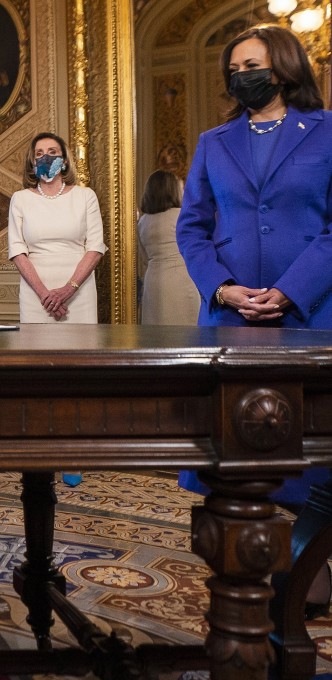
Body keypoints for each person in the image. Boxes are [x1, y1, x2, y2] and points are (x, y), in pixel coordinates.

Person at [175, 23, 332, 612]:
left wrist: (292, 290)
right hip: (232, 321)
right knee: (236, 459)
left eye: (253, 65)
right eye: (234, 69)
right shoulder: (215, 141)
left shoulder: (327, 131)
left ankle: (302, 570)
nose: (243, 76)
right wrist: (222, 287)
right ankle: (249, 584)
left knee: (309, 455)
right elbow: (192, 227)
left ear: (285, 66)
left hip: (310, 317)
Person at [8, 132, 107, 324]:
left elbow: (95, 249)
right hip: (36, 295)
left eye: (52, 152)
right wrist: (45, 295)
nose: (46, 157)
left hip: (79, 292)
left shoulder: (86, 196)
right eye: (39, 153)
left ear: (64, 161)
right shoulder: (20, 199)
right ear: (33, 162)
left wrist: (68, 290)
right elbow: (17, 251)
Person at [137, 170, 198, 325]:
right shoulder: (182, 216)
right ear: (173, 191)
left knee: (157, 335)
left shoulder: (143, 221)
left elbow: (144, 258)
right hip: (181, 280)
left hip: (153, 282)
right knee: (186, 334)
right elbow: (197, 251)